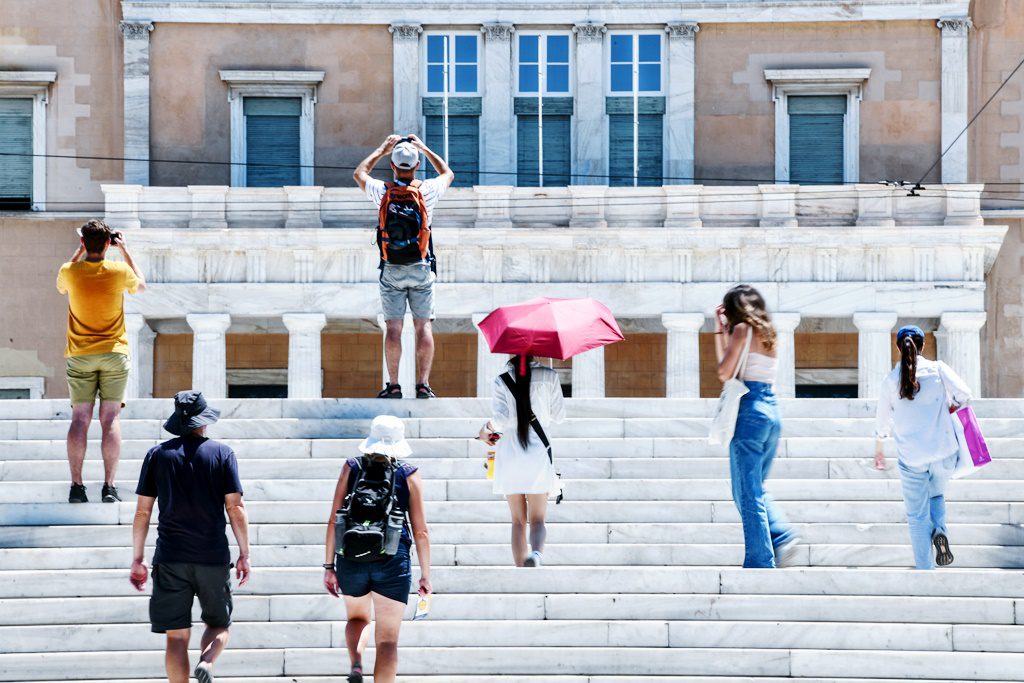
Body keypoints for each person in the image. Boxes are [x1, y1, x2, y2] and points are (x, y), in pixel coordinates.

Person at [129, 390, 251, 683]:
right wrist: (245, 552)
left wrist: (138, 558)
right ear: (204, 421)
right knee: (219, 624)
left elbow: (143, 512)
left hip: (170, 557)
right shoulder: (222, 453)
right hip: (212, 556)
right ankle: (207, 662)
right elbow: (235, 507)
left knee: (176, 638)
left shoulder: (157, 455)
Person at [324, 415, 431, 683]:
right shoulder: (409, 473)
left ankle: (357, 663)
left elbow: (334, 517)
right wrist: (426, 575)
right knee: (387, 640)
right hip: (393, 558)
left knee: (358, 618)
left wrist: (328, 566)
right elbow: (420, 530)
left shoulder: (351, 467)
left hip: (351, 554)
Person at [353, 133, 455, 400]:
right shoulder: (428, 191)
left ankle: (394, 385)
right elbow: (448, 173)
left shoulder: (382, 191)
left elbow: (359, 173)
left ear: (393, 166)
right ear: (417, 165)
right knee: (423, 326)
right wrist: (425, 147)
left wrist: (382, 149)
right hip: (421, 265)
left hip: (391, 267)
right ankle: (423, 385)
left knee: (394, 328)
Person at [56, 219, 146, 503]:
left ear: (84, 243)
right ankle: (109, 486)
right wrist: (126, 250)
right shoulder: (119, 271)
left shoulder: (70, 271)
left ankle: (77, 486)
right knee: (110, 419)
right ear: (109, 244)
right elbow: (141, 285)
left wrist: (79, 250)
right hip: (114, 353)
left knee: (80, 419)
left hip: (80, 355)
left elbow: (61, 285)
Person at [715, 284, 799, 569]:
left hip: (749, 410)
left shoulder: (741, 331)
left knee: (747, 491)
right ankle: (780, 533)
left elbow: (725, 372)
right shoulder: (767, 333)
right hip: (771, 409)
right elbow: (733, 367)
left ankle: (760, 560)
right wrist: (721, 334)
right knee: (750, 488)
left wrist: (726, 332)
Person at [874, 325, 972, 570]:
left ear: (898, 348)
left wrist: (879, 447)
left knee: (917, 516)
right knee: (936, 494)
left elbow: (883, 423)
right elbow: (965, 393)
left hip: (912, 458)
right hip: (944, 452)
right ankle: (940, 530)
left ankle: (925, 570)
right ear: (923, 346)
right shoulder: (938, 369)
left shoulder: (890, 381)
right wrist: (951, 406)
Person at [479, 355, 565, 567]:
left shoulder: (502, 379)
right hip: (537, 453)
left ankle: (519, 568)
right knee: (538, 519)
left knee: (518, 521)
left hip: (510, 454)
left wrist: (485, 429)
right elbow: (559, 416)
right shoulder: (549, 376)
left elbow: (500, 419)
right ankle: (535, 554)